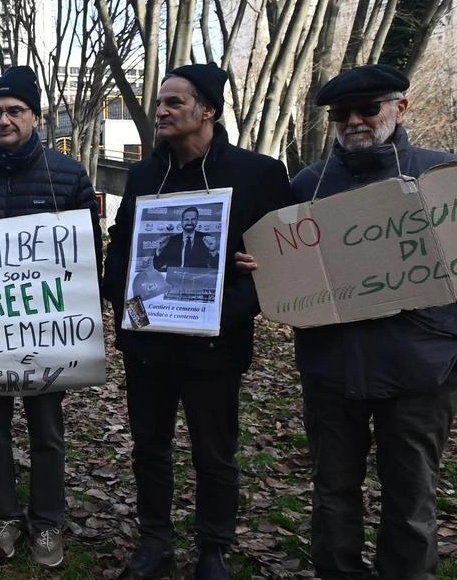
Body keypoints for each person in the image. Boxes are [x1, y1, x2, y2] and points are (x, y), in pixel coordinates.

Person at [244, 64, 457, 580]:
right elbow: (283, 269)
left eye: (368, 109)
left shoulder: (445, 178)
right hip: (331, 369)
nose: (354, 120)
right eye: (341, 114)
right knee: (332, 494)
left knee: (412, 498)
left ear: (399, 108)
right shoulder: (307, 185)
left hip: (423, 371)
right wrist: (262, 266)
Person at [102, 64, 294, 579]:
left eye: (174, 103)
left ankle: (213, 548)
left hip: (216, 344)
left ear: (207, 110)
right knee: (149, 446)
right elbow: (121, 248)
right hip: (149, 343)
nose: (160, 111)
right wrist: (124, 305)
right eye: (159, 103)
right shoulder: (144, 175)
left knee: (215, 452)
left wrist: (234, 306)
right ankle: (155, 540)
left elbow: (284, 256)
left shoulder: (259, 174)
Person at [0, 66, 101, 566]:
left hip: (46, 331)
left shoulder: (67, 175)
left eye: (14, 110)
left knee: (47, 432)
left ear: (36, 116)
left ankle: (48, 522)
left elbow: (88, 254)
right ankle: (5, 516)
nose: (3, 119)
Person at [151, 206, 219, 271]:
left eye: (193, 219)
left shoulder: (205, 239)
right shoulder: (171, 240)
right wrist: (160, 250)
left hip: (196, 280)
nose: (189, 222)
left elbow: (216, 266)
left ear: (197, 220)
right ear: (182, 221)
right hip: (174, 279)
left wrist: (213, 251)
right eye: (186, 219)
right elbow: (157, 265)